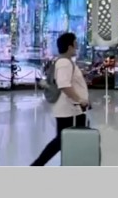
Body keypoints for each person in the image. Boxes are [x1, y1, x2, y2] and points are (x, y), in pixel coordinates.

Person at [31, 32, 89, 166]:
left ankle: (65, 165)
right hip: (70, 109)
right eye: (75, 43)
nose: (77, 46)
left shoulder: (65, 62)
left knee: (66, 140)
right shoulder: (64, 63)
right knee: (63, 140)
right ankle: (37, 165)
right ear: (69, 46)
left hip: (72, 109)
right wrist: (80, 100)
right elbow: (64, 85)